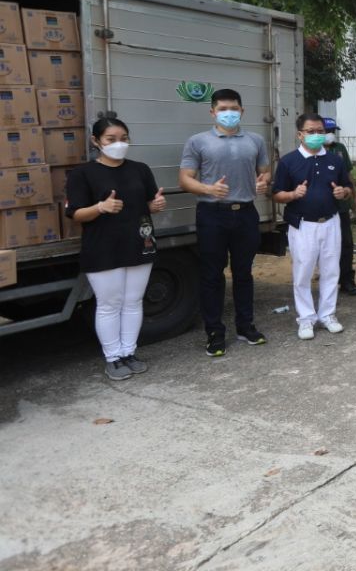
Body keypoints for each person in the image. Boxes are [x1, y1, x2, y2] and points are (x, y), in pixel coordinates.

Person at [66, 117, 168, 380]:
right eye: (111, 139)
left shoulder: (140, 169)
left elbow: (148, 202)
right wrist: (100, 207)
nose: (118, 144)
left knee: (133, 301)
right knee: (110, 303)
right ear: (96, 141)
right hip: (102, 248)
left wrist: (155, 206)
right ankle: (113, 358)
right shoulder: (82, 174)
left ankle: (129, 352)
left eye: (124, 138)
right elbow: (76, 213)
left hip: (139, 243)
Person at [179, 88, 272, 357]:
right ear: (212, 112)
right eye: (222, 109)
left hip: (245, 213)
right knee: (211, 275)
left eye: (233, 108)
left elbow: (264, 171)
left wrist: (263, 181)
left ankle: (245, 326)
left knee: (244, 273)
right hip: (212, 215)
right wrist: (208, 190)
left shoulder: (255, 140)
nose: (228, 113)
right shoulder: (197, 141)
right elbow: (185, 179)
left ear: (242, 111)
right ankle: (215, 333)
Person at [273, 113, 354, 340]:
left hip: (330, 222)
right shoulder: (289, 162)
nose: (317, 135)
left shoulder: (334, 160)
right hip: (302, 225)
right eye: (311, 131)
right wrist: (293, 194)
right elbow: (277, 194)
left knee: (331, 271)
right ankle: (306, 318)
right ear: (300, 135)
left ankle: (328, 315)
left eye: (320, 131)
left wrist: (343, 192)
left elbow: (348, 187)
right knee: (303, 272)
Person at [322, 117, 356, 296]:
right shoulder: (313, 150)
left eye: (333, 130)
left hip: (341, 205)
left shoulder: (339, 149)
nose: (331, 134)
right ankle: (326, 280)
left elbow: (347, 173)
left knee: (346, 243)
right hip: (322, 208)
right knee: (325, 247)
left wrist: (355, 194)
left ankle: (347, 280)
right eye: (327, 130)